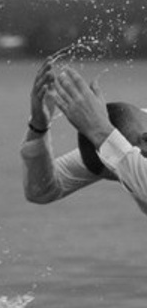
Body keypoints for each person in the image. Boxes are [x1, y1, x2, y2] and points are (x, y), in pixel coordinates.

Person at [23, 59, 147, 211]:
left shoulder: (124, 154)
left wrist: (98, 128)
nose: (127, 181)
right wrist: (38, 128)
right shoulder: (111, 154)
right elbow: (40, 191)